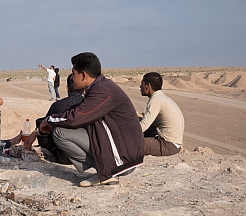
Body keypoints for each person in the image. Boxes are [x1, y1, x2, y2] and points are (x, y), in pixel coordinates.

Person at [39, 52, 144, 187]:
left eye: (74, 73)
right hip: (125, 154)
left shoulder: (102, 91)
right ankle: (104, 171)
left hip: (124, 159)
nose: (72, 77)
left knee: (60, 133)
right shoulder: (101, 87)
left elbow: (76, 117)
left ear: (83, 75)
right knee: (63, 130)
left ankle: (107, 172)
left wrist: (48, 120)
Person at [24, 74, 84, 164]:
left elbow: (46, 125)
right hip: (85, 154)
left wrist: (37, 131)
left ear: (67, 88)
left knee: (43, 124)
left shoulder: (58, 105)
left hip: (64, 156)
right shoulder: (89, 105)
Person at [138, 72, 184, 156]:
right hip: (172, 143)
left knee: (129, 144)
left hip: (168, 144)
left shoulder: (156, 100)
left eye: (142, 83)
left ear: (148, 86)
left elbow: (144, 125)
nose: (140, 86)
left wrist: (128, 134)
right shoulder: (161, 97)